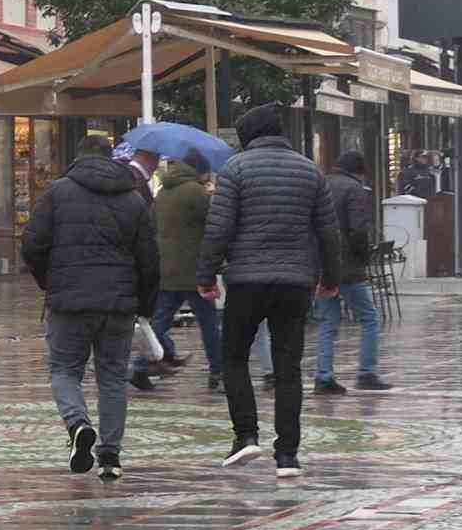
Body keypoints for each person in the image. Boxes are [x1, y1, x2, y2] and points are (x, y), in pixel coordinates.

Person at [197, 103, 342, 479]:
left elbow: (218, 229)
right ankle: (288, 455)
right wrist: (331, 278)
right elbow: (328, 232)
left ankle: (245, 435)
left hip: (246, 280)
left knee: (233, 357)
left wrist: (206, 275)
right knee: (288, 367)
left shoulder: (235, 169)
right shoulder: (310, 171)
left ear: (249, 136)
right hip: (295, 282)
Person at [21, 134, 158, 481]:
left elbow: (33, 244)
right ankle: (110, 455)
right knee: (112, 376)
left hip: (68, 301)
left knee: (65, 369)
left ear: (77, 156)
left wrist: (49, 281)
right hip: (118, 304)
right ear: (111, 157)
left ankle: (77, 423)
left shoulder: (57, 193)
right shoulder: (133, 199)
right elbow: (149, 258)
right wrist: (145, 304)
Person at [133, 153, 222, 391]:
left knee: (160, 322)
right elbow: (214, 224)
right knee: (209, 323)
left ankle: (141, 366)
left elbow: (152, 225)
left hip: (166, 268)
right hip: (194, 270)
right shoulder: (196, 192)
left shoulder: (163, 192)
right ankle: (218, 370)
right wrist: (211, 197)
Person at [315, 152, 391, 393]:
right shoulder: (355, 189)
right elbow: (358, 230)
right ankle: (366, 373)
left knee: (328, 321)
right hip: (347, 267)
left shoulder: (320, 185)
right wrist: (364, 259)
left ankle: (324, 377)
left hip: (321, 265)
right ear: (359, 171)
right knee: (369, 318)